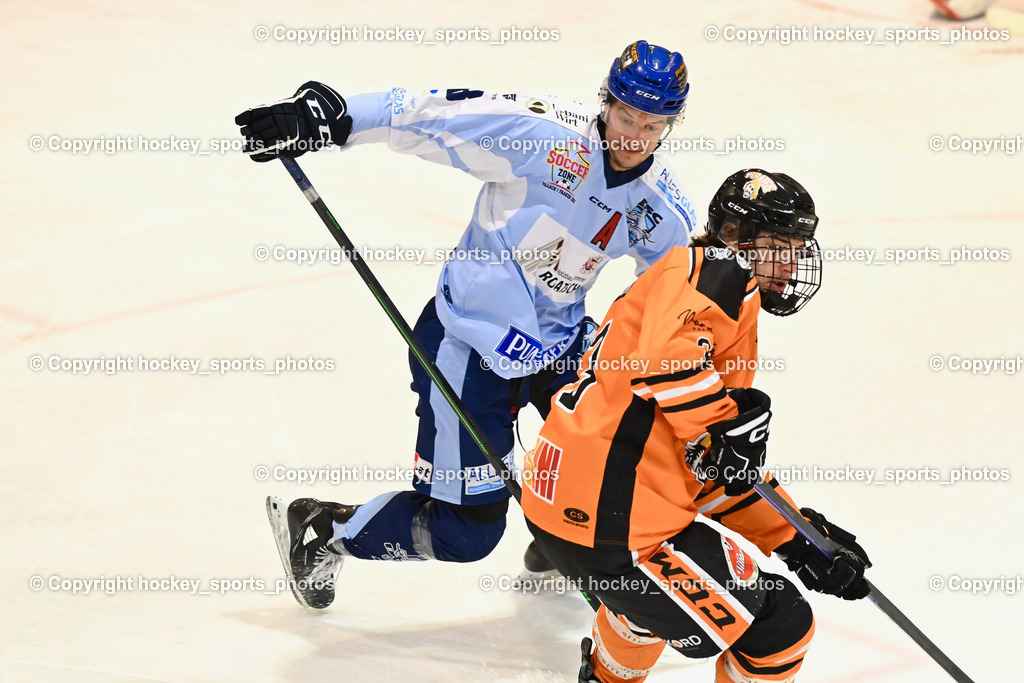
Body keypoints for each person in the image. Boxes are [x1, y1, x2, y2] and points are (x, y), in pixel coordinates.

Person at [235, 41, 700, 609]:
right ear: (605, 102)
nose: (634, 137)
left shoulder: (662, 209)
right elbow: (429, 112)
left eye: (652, 126)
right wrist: (332, 115)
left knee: (609, 469)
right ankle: (321, 530)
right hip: (470, 345)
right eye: (625, 116)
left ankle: (557, 541)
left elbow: (678, 298)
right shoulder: (542, 135)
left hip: (562, 349)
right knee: (467, 533)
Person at [520, 169, 872, 682]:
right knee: (780, 628)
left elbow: (705, 465)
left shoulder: (690, 289)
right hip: (613, 524)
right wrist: (720, 428)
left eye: (797, 248)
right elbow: (668, 368)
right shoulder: (720, 272)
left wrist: (795, 537)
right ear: (734, 236)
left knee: (648, 607)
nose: (789, 263)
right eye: (777, 245)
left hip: (569, 506)